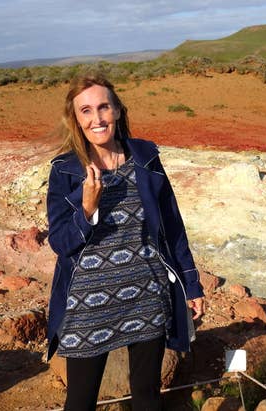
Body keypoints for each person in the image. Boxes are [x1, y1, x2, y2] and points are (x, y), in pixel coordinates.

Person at [45, 72, 205, 411]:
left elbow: (172, 227)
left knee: (147, 397)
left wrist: (191, 285)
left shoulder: (145, 158)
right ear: (76, 119)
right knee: (80, 402)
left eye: (104, 107)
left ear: (117, 110)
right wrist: (87, 209)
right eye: (86, 110)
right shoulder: (65, 170)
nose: (97, 118)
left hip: (146, 294)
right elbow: (60, 243)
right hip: (88, 305)